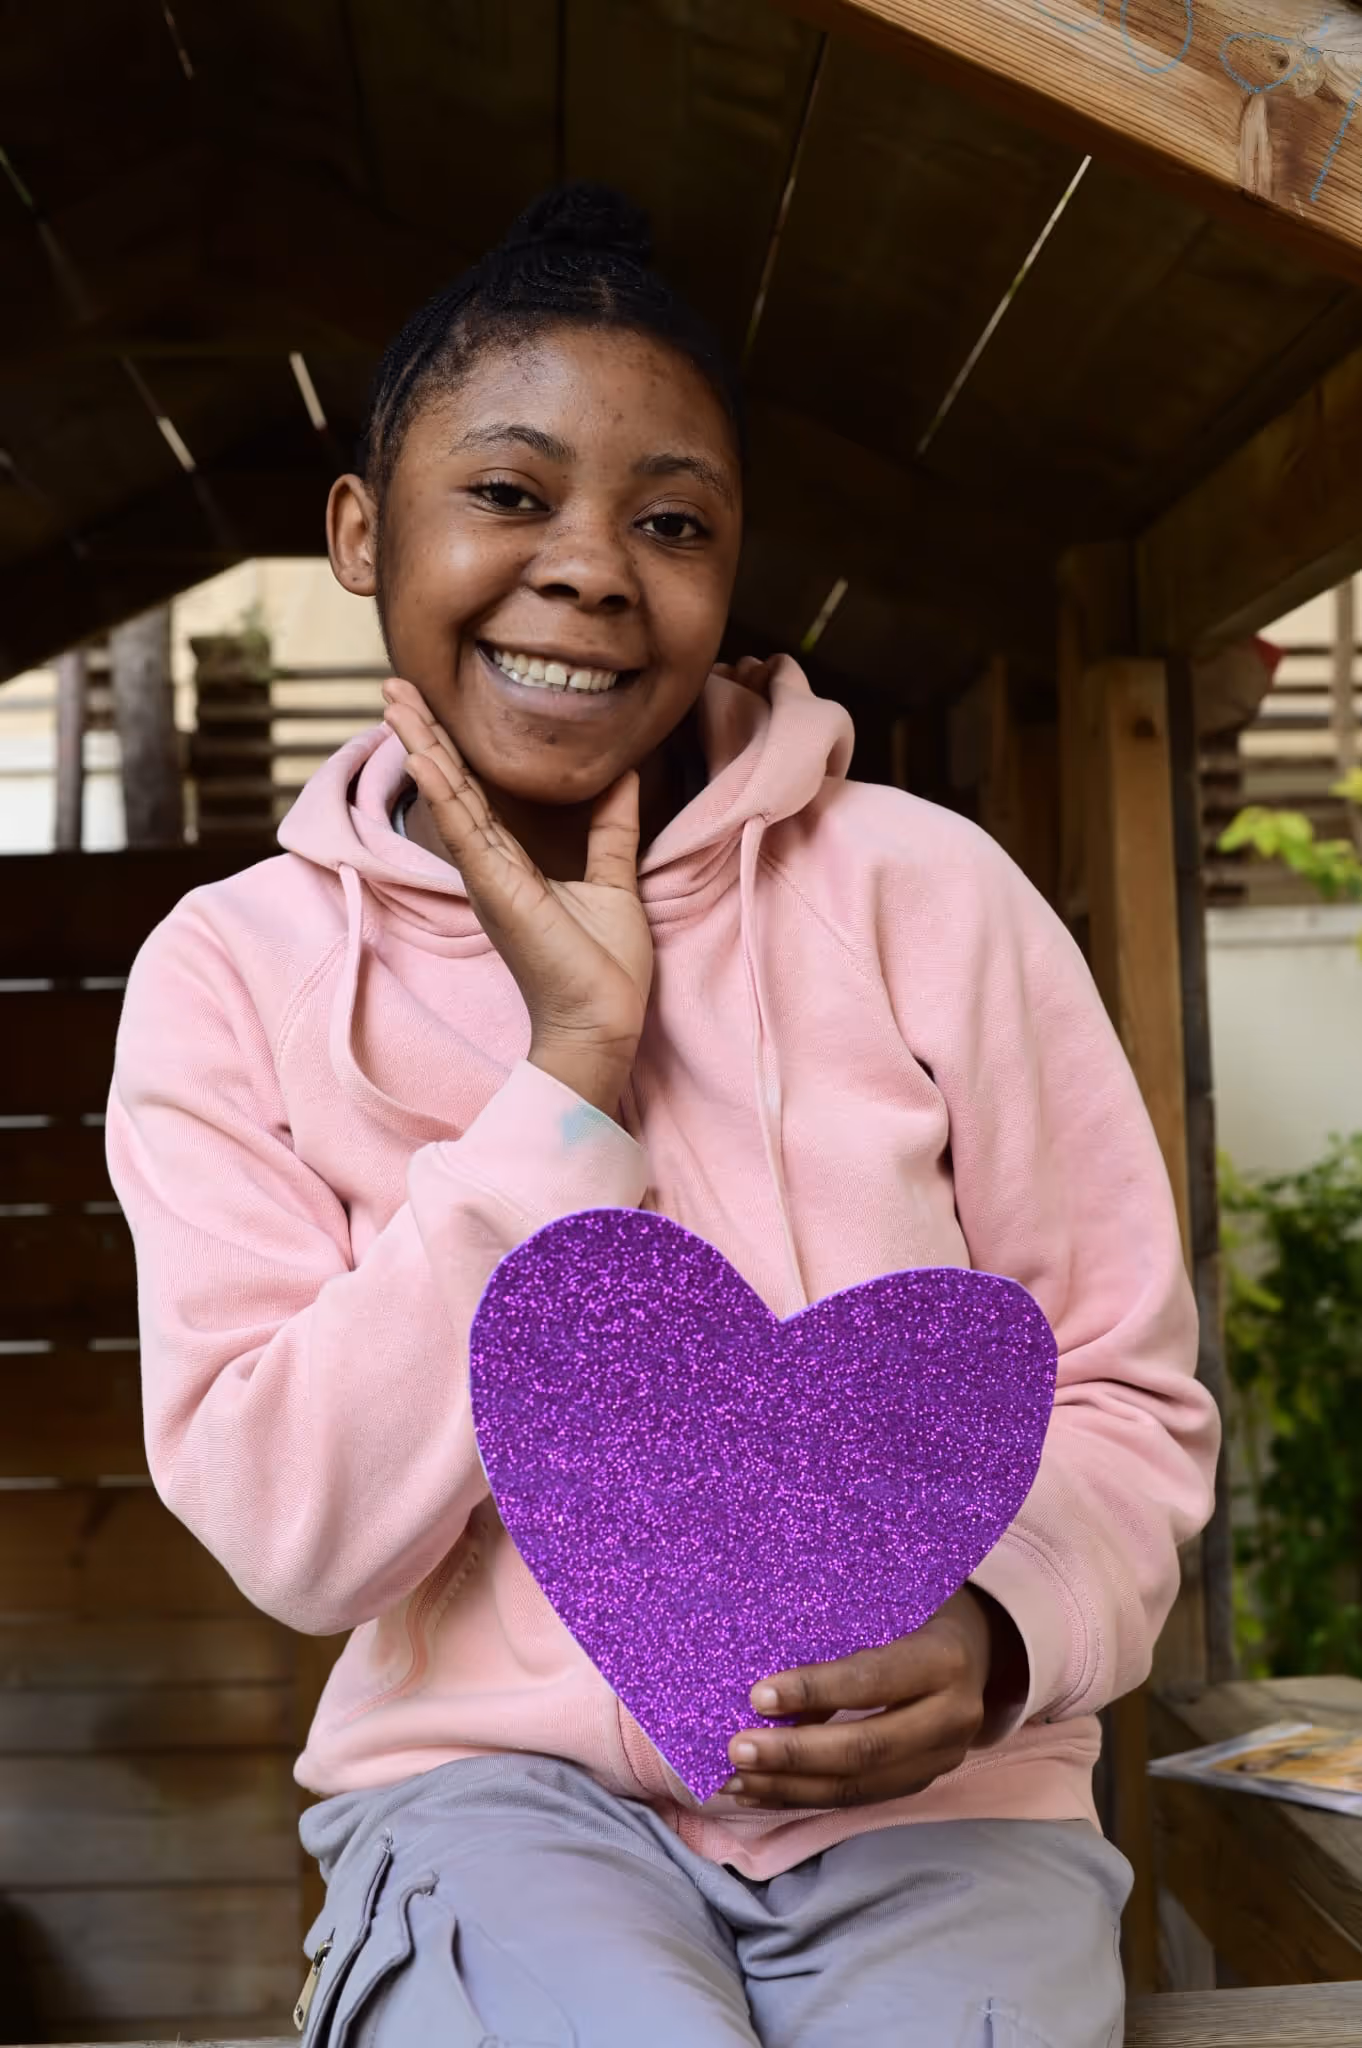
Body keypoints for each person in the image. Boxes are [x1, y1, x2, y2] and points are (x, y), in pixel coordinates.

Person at [107, 183, 1219, 2046]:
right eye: (512, 493)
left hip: (949, 1817)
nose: (595, 568)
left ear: (729, 566)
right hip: (486, 1807)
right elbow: (297, 1532)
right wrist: (564, 1083)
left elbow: (1122, 1386)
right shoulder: (228, 974)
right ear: (361, 532)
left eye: (672, 522)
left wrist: (1005, 1629)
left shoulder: (925, 895)